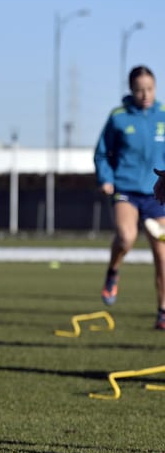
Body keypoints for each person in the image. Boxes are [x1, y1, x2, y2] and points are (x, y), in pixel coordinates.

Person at [94, 65, 165, 329]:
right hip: (126, 189)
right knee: (126, 237)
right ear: (131, 90)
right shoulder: (119, 117)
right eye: (139, 89)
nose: (145, 94)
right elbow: (102, 152)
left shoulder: (164, 116)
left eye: (149, 89)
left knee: (162, 254)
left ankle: (162, 312)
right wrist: (106, 179)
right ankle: (113, 270)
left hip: (157, 193)